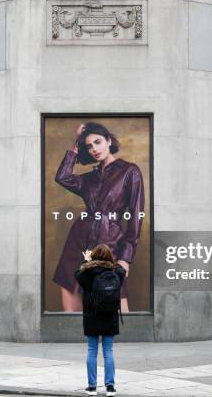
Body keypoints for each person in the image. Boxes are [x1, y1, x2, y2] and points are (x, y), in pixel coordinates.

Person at [54, 122, 145, 312]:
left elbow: (136, 218)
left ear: (109, 141)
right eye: (89, 146)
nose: (94, 149)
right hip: (78, 240)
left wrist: (126, 258)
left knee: (114, 303)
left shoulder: (130, 171)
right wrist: (76, 145)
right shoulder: (89, 179)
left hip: (108, 241)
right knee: (70, 301)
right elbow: (62, 177)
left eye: (98, 142)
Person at [75, 244, 125, 397]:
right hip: (110, 316)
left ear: (93, 256)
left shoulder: (88, 273)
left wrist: (86, 261)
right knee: (108, 352)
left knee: (92, 351)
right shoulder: (116, 272)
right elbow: (121, 270)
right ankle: (110, 387)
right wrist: (111, 261)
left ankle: (92, 387)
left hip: (92, 317)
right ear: (110, 257)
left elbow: (78, 274)